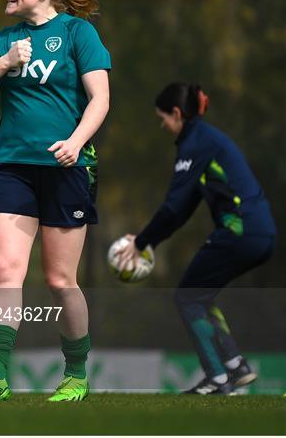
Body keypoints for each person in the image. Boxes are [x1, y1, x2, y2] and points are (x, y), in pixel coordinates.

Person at [0, 0, 111, 401]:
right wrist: (3, 64)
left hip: (67, 169)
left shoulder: (78, 32)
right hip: (11, 170)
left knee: (60, 281)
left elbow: (100, 99)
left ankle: (77, 375)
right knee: (5, 269)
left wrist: (76, 142)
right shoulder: (5, 40)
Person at [116, 82, 276, 395]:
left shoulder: (196, 143)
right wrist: (149, 241)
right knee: (198, 296)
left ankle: (218, 376)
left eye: (163, 118)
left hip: (241, 231)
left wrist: (140, 242)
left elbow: (174, 207)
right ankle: (235, 366)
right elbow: (184, 207)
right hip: (260, 230)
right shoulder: (205, 139)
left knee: (187, 296)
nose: (163, 125)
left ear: (177, 113)